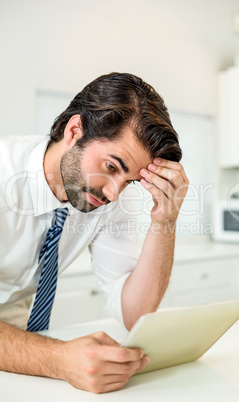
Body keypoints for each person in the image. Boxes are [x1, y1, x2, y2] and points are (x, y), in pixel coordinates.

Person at [0, 72, 188, 393]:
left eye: (129, 181)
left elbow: (135, 314)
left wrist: (164, 219)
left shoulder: (106, 196)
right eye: (112, 167)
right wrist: (57, 358)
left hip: (17, 348)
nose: (114, 194)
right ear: (74, 131)